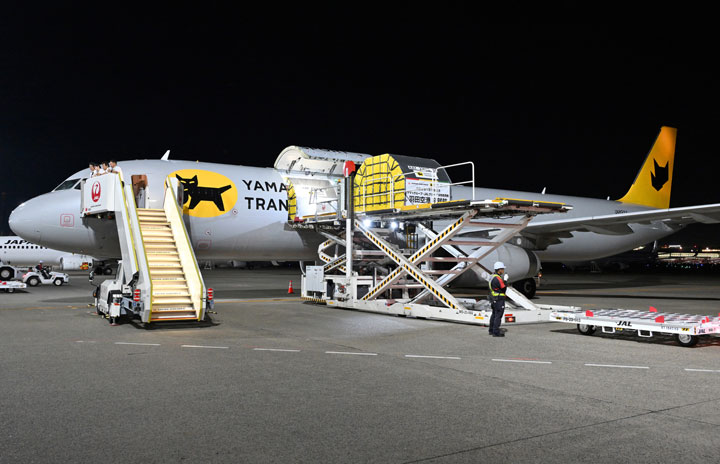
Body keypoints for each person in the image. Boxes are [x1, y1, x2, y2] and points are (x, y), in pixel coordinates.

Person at [488, 261, 508, 337]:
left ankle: (491, 330)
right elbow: (504, 288)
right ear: (499, 270)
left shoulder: (492, 277)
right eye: (502, 269)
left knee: (494, 315)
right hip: (499, 299)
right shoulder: (498, 278)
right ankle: (496, 332)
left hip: (494, 298)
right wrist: (505, 280)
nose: (503, 270)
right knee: (498, 316)